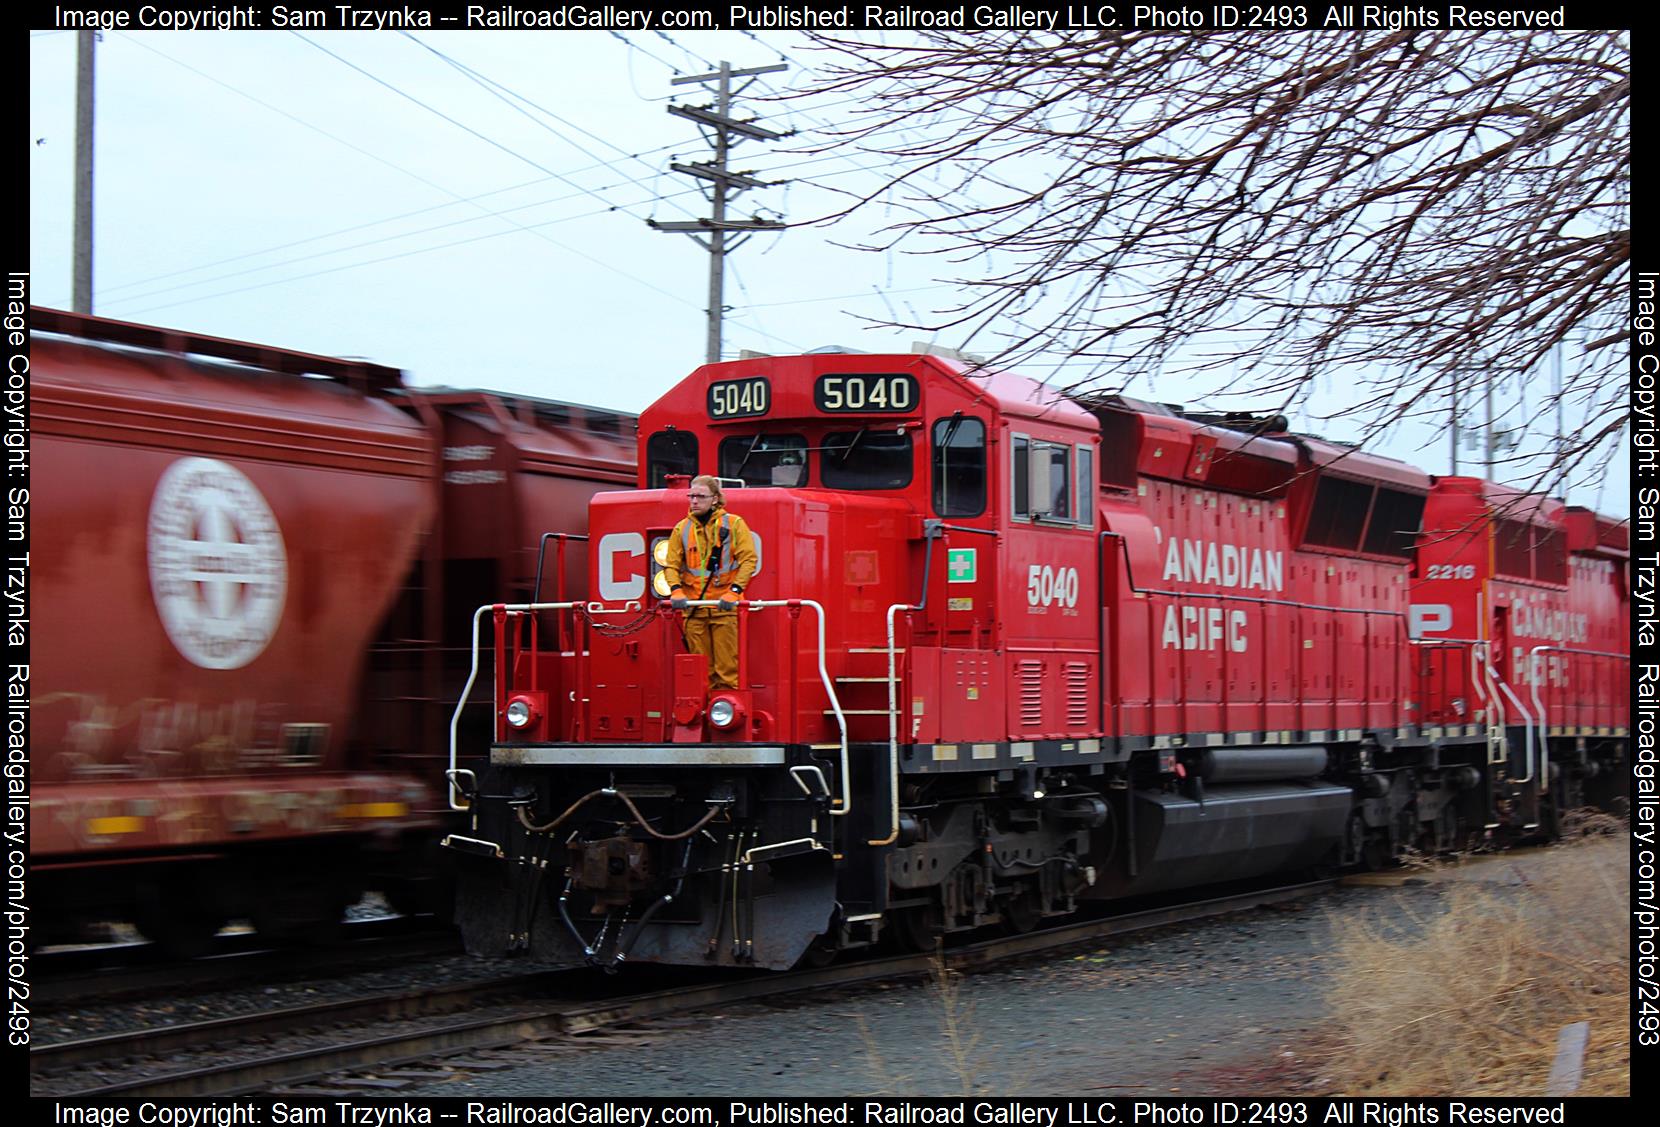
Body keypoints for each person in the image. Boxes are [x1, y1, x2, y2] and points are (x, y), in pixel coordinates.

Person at [663, 475, 757, 691]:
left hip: (724, 608)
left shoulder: (734, 524)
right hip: (694, 611)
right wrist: (676, 591)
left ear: (715, 499)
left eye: (700, 496)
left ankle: (724, 715)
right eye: (691, 496)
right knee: (699, 671)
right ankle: (703, 710)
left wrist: (734, 592)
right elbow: (671, 565)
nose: (694, 501)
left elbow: (749, 560)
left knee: (727, 670)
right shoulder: (682, 528)